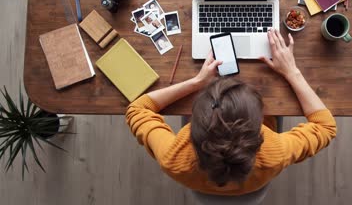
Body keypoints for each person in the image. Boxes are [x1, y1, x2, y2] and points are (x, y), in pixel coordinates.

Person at [126, 29, 337, 196]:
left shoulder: (173, 159)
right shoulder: (276, 153)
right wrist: (292, 71)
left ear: (194, 127)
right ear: (258, 128)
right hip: (253, 183)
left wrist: (196, 83)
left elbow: (137, 109)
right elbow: (325, 126)